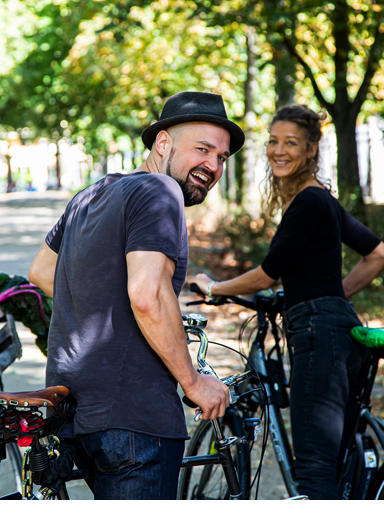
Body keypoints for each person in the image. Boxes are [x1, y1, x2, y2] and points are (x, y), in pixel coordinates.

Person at [28, 92, 241, 499]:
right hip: (135, 417)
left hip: (76, 414)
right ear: (163, 143)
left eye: (222, 158)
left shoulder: (89, 196)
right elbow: (147, 295)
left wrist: (105, 301)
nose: (212, 166)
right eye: (203, 149)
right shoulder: (161, 191)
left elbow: (41, 270)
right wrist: (192, 381)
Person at [191, 105, 384, 500]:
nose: (278, 151)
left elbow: (268, 274)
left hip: (318, 335)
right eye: (273, 141)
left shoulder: (308, 202)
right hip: (339, 329)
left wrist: (215, 287)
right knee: (333, 462)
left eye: (291, 143)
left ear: (312, 149)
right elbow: (379, 254)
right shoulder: (321, 199)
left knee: (314, 468)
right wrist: (333, 295)